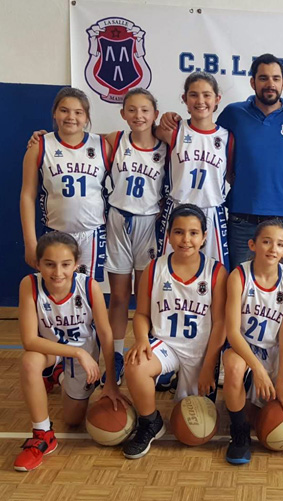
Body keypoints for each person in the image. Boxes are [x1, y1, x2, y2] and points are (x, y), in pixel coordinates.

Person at [160, 54, 283, 269]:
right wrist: (169, 118)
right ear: (252, 82)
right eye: (263, 78)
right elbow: (210, 141)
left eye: (276, 78)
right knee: (237, 280)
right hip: (241, 217)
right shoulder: (234, 113)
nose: (270, 84)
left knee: (277, 282)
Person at [14, 232, 127, 471]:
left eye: (65, 264)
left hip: (83, 350)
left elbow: (106, 334)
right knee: (29, 362)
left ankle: (59, 375)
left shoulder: (88, 286)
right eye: (49, 264)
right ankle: (43, 435)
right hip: (50, 349)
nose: (58, 272)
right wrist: (76, 353)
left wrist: (110, 383)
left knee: (73, 420)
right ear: (38, 264)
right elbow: (29, 340)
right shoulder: (29, 285)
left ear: (76, 264)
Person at [123, 204, 227, 459]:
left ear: (204, 237)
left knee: (195, 426)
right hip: (165, 345)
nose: (186, 239)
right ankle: (150, 422)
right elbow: (142, 314)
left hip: (200, 351)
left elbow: (220, 324)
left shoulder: (216, 272)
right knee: (135, 364)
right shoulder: (154, 268)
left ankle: (181, 386)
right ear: (168, 235)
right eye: (179, 232)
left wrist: (209, 365)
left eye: (193, 233)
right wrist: (141, 339)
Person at [102, 88, 167, 386]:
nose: (138, 115)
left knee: (145, 299)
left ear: (155, 114)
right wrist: (43, 137)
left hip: (148, 224)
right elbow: (78, 141)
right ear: (123, 113)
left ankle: (150, 353)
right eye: (132, 110)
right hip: (118, 220)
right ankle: (116, 355)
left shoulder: (166, 146)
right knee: (118, 296)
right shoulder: (114, 141)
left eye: (145, 110)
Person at [222, 220, 283, 464]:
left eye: (280, 244)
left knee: (264, 419)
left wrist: (282, 379)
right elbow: (232, 332)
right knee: (234, 367)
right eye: (266, 242)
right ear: (252, 245)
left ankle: (245, 406)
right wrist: (257, 369)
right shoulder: (238, 276)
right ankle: (239, 434)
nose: (273, 248)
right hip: (242, 349)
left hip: (273, 353)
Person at [20, 87, 110, 281]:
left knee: (87, 290)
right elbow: (27, 196)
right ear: (54, 113)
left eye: (78, 112)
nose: (71, 117)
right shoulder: (39, 147)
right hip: (54, 232)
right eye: (64, 110)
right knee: (55, 287)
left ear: (86, 117)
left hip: (92, 234)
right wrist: (30, 242)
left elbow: (136, 140)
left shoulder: (103, 145)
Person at [155, 72, 233, 268]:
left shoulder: (227, 137)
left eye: (207, 95)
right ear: (184, 98)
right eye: (193, 95)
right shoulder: (172, 130)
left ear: (217, 99)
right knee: (167, 269)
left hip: (212, 210)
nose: (200, 101)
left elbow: (231, 175)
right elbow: (146, 134)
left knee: (216, 272)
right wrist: (166, 117)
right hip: (178, 208)